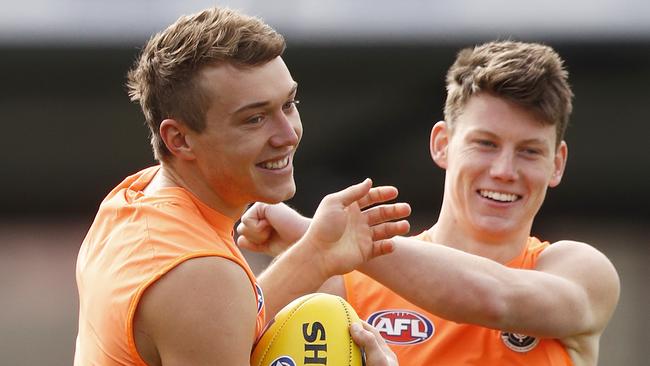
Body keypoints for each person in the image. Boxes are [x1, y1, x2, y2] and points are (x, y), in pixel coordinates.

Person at [237, 41, 621, 365]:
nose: (504, 170)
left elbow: (494, 297)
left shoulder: (580, 271)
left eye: (530, 151)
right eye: (485, 144)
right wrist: (310, 253)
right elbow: (221, 346)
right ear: (442, 144)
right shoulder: (347, 284)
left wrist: (319, 238)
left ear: (557, 164)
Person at [73, 7, 409, 366]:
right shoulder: (201, 276)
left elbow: (220, 319)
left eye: (289, 104)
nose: (287, 134)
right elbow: (208, 301)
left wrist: (316, 254)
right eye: (255, 119)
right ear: (179, 139)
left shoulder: (134, 196)